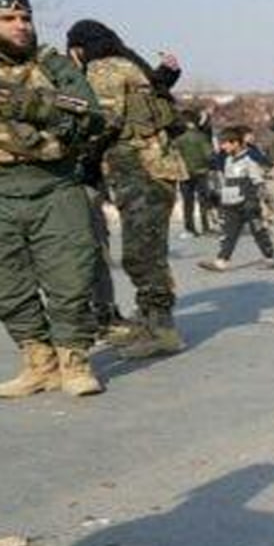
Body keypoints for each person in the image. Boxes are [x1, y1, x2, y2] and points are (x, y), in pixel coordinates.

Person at [0, 0, 104, 397]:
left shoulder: (53, 63)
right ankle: (39, 361)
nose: (20, 26)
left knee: (69, 275)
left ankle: (74, 360)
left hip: (53, 184)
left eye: (25, 18)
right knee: (3, 281)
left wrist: (34, 108)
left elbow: (92, 118)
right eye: (8, 20)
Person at [67, 19, 189, 359]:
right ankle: (150, 320)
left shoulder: (104, 68)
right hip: (149, 169)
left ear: (78, 48)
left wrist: (77, 156)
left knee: (142, 254)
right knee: (145, 250)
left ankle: (162, 330)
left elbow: (104, 121)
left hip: (141, 171)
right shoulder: (129, 64)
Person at [198, 126, 274, 272]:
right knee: (229, 233)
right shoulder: (228, 160)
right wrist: (219, 198)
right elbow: (225, 179)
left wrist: (260, 200)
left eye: (225, 143)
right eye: (221, 143)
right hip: (230, 202)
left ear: (235, 143)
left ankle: (269, 257)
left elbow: (258, 181)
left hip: (248, 202)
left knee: (258, 230)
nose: (223, 147)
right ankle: (221, 261)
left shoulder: (249, 159)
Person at [175, 108, 215, 237]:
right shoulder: (201, 137)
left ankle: (189, 228)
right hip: (201, 172)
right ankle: (206, 226)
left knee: (188, 202)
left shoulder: (179, 139)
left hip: (184, 173)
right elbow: (209, 155)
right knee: (203, 201)